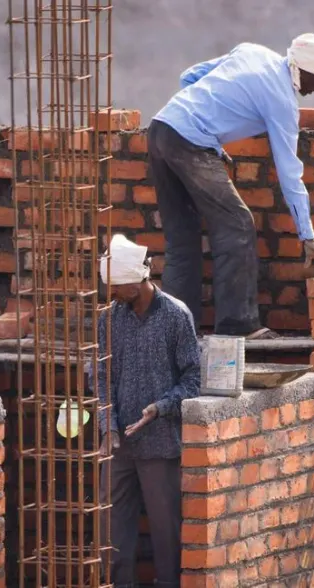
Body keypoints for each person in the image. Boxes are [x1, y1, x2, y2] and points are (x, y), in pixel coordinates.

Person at [148, 33, 314, 340]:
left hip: (161, 127)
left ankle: (178, 332)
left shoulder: (251, 52)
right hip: (188, 143)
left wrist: (206, 125)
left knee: (182, 238)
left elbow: (190, 77)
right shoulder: (282, 102)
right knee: (238, 224)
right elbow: (289, 173)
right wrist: (307, 235)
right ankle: (239, 325)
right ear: (303, 70)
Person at [94, 234, 201, 588]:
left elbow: (192, 379)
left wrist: (160, 408)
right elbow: (102, 376)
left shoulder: (175, 316)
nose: (112, 293)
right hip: (120, 445)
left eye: (117, 286)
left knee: (165, 533)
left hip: (160, 446)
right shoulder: (109, 319)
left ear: (138, 281)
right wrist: (107, 426)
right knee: (113, 535)